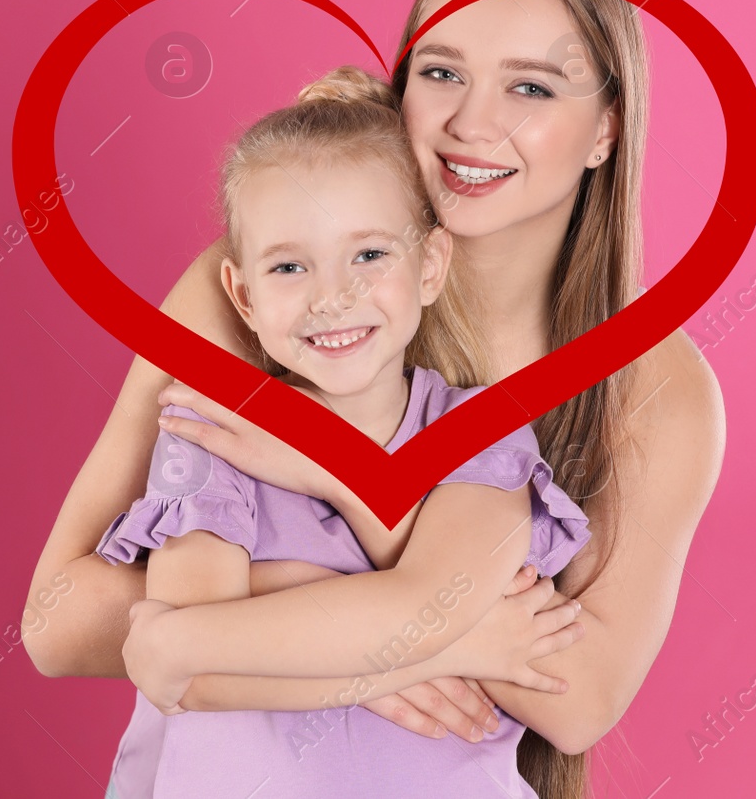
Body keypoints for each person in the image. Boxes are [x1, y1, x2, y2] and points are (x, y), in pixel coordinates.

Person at [23, 0, 726, 799]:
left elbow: (578, 694)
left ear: (606, 130)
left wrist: (339, 481)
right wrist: (419, 637)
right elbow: (58, 619)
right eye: (441, 73)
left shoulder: (657, 386)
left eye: (533, 88)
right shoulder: (266, 293)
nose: (473, 123)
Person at [96, 66, 592, 797]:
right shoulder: (214, 435)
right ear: (244, 295)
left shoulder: (480, 434)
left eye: (369, 255)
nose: (334, 296)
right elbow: (198, 675)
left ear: (429, 265)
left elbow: (425, 602)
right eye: (291, 265)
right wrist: (449, 648)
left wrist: (188, 632)